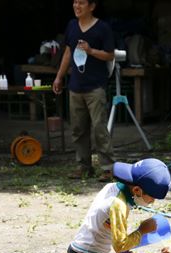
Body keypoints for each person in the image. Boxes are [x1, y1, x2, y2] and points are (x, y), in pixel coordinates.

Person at [53, 0, 116, 182]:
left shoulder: (102, 28)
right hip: (75, 86)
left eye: (81, 3)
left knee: (99, 128)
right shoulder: (72, 26)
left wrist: (90, 50)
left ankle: (108, 168)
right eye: (74, 2)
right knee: (78, 129)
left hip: (95, 86)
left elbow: (110, 55)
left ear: (92, 6)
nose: (76, 6)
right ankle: (83, 167)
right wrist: (59, 76)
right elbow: (67, 52)